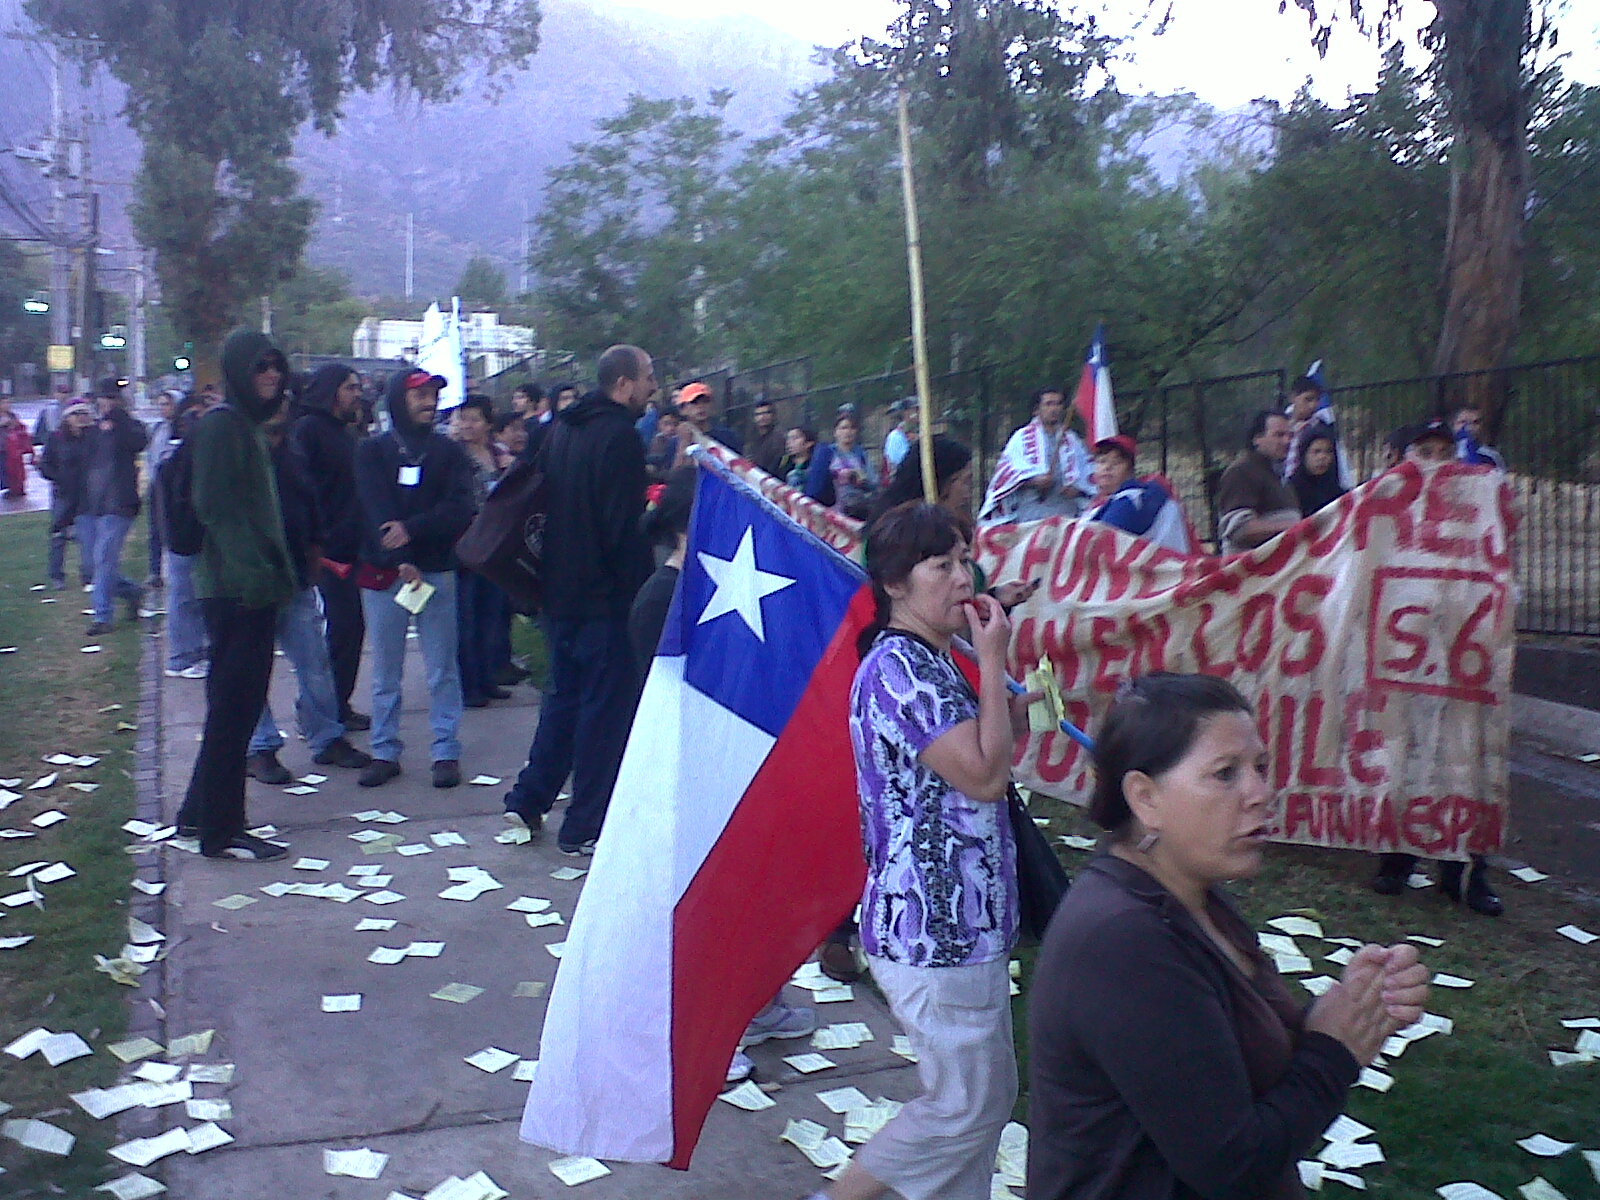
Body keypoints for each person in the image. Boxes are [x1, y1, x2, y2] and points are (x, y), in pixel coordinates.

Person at [1026, 673, 1431, 1200]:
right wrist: (1336, 1050)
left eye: (1260, 768)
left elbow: (1228, 1063)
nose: (1261, 793)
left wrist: (1351, 1007)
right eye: (1225, 774)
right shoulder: (1123, 942)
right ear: (1145, 798)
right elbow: (1233, 1164)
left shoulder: (1192, 896)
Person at [807, 502, 1037, 1200]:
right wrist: (992, 664)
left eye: (966, 560)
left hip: (970, 923)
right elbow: (986, 776)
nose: (963, 578)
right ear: (896, 582)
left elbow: (992, 749)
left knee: (982, 1104)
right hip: (932, 928)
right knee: (965, 1108)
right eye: (944, 565)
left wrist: (1008, 688)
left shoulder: (932, 661)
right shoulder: (897, 670)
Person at [502, 344, 656, 856]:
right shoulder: (621, 439)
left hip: (557, 593)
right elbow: (622, 529)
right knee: (602, 714)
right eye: (648, 378)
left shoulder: (560, 429)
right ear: (623, 384)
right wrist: (638, 591)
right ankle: (585, 824)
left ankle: (529, 799)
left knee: (562, 702)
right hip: (602, 600)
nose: (654, 388)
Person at [1370, 419, 1503, 915]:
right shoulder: (1381, 505)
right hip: (1404, 656)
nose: (1435, 460)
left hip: (1463, 657)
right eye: (1423, 450)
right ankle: (1396, 863)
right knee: (1402, 757)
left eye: (1444, 451)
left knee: (1467, 763)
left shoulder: (1479, 507)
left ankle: (1465, 874)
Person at [174, 330, 299, 862]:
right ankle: (223, 830)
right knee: (236, 710)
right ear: (237, 371)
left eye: (276, 365)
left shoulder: (242, 425)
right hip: (235, 589)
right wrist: (254, 579)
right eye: (259, 367)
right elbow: (216, 508)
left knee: (231, 705)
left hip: (244, 585)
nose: (270, 375)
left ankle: (197, 812)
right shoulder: (224, 427)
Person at [353, 369, 477, 790]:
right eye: (419, 394)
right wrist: (401, 555)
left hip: (436, 572)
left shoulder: (449, 453)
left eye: (432, 394)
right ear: (397, 400)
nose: (428, 401)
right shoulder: (372, 452)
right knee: (386, 670)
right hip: (386, 574)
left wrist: (416, 530)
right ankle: (384, 750)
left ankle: (446, 750)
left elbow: (460, 506)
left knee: (442, 666)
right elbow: (374, 508)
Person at [244, 396, 371, 782]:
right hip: (253, 580)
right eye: (270, 401)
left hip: (297, 576)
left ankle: (326, 736)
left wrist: (316, 549)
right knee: (253, 669)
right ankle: (261, 748)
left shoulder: (293, 452)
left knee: (314, 663)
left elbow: (310, 504)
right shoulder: (240, 452)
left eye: (283, 400)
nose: (279, 407)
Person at [290, 363, 371, 731]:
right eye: (350, 387)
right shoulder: (309, 429)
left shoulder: (345, 432)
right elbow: (304, 487)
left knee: (350, 630)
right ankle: (318, 710)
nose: (357, 394)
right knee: (339, 628)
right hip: (326, 550)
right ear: (332, 390)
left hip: (352, 547)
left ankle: (338, 702)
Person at [451, 393, 513, 709]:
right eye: (462, 418)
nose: (466, 425)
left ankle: (489, 677)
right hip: (464, 545)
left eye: (474, 419)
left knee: (492, 614)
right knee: (467, 617)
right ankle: (468, 684)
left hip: (496, 545)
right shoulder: (451, 454)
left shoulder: (498, 453)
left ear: (488, 423)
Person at [76, 378, 150, 636]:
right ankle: (132, 592)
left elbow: (139, 442)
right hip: (94, 505)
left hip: (119, 504)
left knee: (104, 559)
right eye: (102, 398)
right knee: (96, 565)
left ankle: (102, 616)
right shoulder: (94, 430)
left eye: (109, 398)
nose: (104, 403)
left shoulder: (127, 426)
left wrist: (118, 420)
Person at [978, 387, 1093, 522]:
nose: (1054, 408)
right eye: (1049, 404)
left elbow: (1089, 473)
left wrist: (1078, 490)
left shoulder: (1072, 439)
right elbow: (1006, 475)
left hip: (1067, 514)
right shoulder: (1021, 438)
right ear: (1037, 409)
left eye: (1058, 403)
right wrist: (1032, 480)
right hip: (1032, 515)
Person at [159, 396, 211, 679]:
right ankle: (183, 656)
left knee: (188, 597)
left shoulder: (174, 457)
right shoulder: (179, 459)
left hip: (182, 537)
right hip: (186, 538)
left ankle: (191, 652)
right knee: (185, 598)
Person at [1084, 435, 1194, 554]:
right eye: (1101, 461)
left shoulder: (1133, 498)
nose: (1107, 467)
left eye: (1117, 462)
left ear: (1130, 471)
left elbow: (1093, 545)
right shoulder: (1101, 503)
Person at [1215, 410, 1298, 555]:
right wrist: (1296, 527)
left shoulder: (1277, 474)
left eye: (1290, 435)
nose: (1287, 441)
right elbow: (1240, 530)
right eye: (1279, 435)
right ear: (1257, 439)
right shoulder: (1242, 471)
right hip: (1253, 572)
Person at [37, 401, 95, 590]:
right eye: (76, 414)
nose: (81, 417)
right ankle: (56, 575)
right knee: (59, 536)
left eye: (84, 413)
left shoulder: (93, 437)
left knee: (87, 535)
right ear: (67, 417)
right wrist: (59, 478)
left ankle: (88, 575)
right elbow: (45, 465)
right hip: (63, 494)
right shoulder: (56, 438)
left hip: (87, 495)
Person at [143, 390, 180, 587]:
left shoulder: (181, 428)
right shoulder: (157, 428)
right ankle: (154, 570)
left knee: (171, 528)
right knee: (155, 529)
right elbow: (151, 455)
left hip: (172, 486)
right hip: (156, 483)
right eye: (161, 404)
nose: (163, 408)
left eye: (167, 404)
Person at [806, 411, 873, 518]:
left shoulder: (861, 454)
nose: (848, 432)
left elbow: (873, 482)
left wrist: (861, 479)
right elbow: (817, 481)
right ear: (835, 432)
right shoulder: (826, 454)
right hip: (832, 511)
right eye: (843, 428)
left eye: (852, 428)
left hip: (859, 508)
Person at [1288, 428, 1348, 518]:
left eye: (1328, 452)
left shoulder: (1336, 491)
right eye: (1316, 452)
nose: (1322, 457)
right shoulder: (1290, 489)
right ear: (1304, 454)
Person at [674, 381, 742, 456]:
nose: (701, 406)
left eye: (705, 401)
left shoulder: (728, 436)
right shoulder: (675, 442)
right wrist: (684, 443)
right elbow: (674, 467)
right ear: (683, 409)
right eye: (694, 402)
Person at [1453, 404, 1506, 470]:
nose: (1469, 428)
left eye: (1476, 422)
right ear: (1454, 425)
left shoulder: (1492, 456)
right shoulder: (1445, 454)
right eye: (1463, 422)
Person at [880, 399, 919, 484]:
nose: (918, 414)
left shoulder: (915, 434)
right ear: (906, 413)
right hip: (900, 483)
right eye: (915, 410)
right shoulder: (895, 436)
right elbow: (902, 464)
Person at [745, 400, 786, 476]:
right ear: (754, 418)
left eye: (766, 413)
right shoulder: (751, 441)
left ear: (773, 415)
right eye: (758, 414)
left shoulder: (779, 438)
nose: (762, 417)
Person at [1, 403, 33, 498]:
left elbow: (20, 427)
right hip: (3, 447)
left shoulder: (12, 416)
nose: (6, 405)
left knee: (16, 469)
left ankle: (17, 489)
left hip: (14, 447)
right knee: (5, 470)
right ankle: (10, 489)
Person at [645, 408, 682, 482]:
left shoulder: (681, 442)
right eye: (666, 424)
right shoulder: (653, 441)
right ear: (659, 425)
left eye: (675, 424)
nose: (671, 428)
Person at [782, 425, 817, 491]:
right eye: (788, 438)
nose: (789, 442)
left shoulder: (814, 465)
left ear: (809, 443)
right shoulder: (784, 463)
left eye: (795, 438)